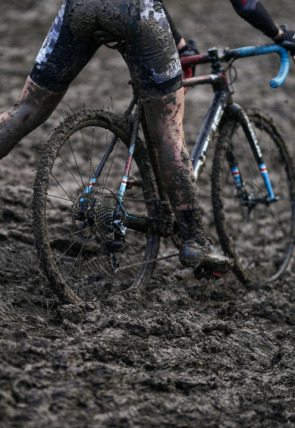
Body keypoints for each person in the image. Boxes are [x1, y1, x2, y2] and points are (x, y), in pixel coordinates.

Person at [0, 1, 294, 275]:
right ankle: (194, 241)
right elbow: (246, 3)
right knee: (168, 129)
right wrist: (278, 33)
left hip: (80, 6)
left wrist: (178, 43)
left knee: (27, 108)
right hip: (134, 9)